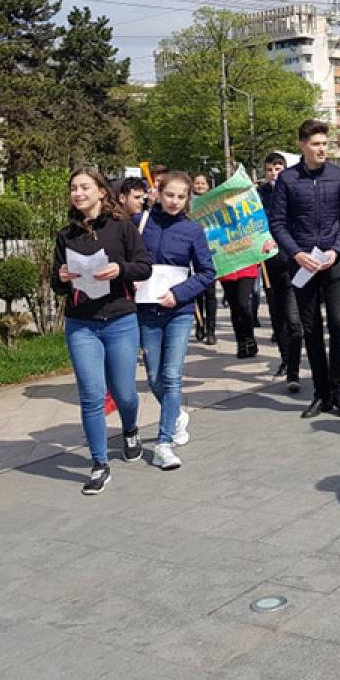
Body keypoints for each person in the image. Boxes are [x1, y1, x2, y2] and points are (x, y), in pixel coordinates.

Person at [52, 168, 152, 495]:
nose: (78, 193)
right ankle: (99, 463)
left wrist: (120, 269)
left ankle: (130, 430)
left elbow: (144, 267)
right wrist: (62, 278)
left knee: (124, 393)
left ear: (101, 191)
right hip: (82, 324)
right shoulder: (66, 235)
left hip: (120, 320)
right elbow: (56, 283)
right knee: (92, 395)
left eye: (84, 187)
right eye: (73, 188)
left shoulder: (122, 227)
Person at [268, 120, 340, 419]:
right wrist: (296, 253)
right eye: (316, 144)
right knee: (311, 329)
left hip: (334, 260)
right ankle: (321, 393)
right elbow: (277, 223)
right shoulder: (288, 179)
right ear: (302, 145)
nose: (321, 149)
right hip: (303, 262)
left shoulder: (338, 175)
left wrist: (337, 249)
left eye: (324, 143)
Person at [135, 171, 216, 471]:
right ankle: (177, 415)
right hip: (146, 311)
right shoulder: (140, 224)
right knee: (154, 377)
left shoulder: (192, 230)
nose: (175, 201)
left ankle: (163, 443)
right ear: (158, 192)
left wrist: (179, 294)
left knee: (172, 375)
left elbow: (207, 272)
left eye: (182, 197)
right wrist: (130, 278)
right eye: (170, 195)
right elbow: (128, 262)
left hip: (178, 312)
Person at [259, 153, 303, 392]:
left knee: (294, 319)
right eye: (269, 169)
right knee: (278, 318)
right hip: (269, 263)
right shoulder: (258, 196)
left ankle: (294, 369)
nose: (273, 173)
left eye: (278, 168)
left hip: (292, 262)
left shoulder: (293, 192)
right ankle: (286, 360)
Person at [190, 173, 218, 345]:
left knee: (210, 294)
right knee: (197, 293)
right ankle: (200, 324)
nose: (200, 186)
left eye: (203, 183)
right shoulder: (188, 204)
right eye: (197, 183)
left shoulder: (213, 203)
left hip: (212, 253)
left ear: (208, 186)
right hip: (193, 252)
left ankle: (211, 329)